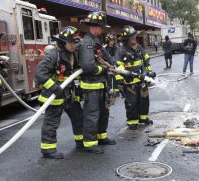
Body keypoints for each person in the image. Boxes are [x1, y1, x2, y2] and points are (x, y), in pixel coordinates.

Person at [34, 26, 83, 159]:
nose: (74, 46)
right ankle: (48, 150)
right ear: (63, 42)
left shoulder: (73, 54)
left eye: (76, 43)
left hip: (69, 95)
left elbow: (75, 73)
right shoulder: (54, 55)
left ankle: (81, 142)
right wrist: (55, 87)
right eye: (72, 43)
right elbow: (39, 75)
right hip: (54, 96)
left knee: (78, 117)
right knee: (51, 123)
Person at [78, 11, 116, 154]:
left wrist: (114, 64)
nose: (102, 30)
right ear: (95, 26)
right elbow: (88, 66)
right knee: (92, 114)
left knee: (103, 112)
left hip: (100, 85)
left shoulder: (96, 41)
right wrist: (104, 69)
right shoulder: (87, 43)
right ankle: (90, 143)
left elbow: (106, 56)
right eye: (101, 27)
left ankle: (101, 136)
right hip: (91, 86)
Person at [115, 26, 156, 130]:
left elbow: (146, 60)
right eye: (131, 37)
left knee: (144, 100)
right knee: (132, 102)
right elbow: (118, 67)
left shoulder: (139, 48)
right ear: (126, 39)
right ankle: (132, 121)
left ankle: (143, 118)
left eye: (134, 36)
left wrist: (149, 72)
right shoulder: (121, 51)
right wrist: (120, 80)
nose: (134, 38)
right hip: (129, 83)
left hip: (142, 81)